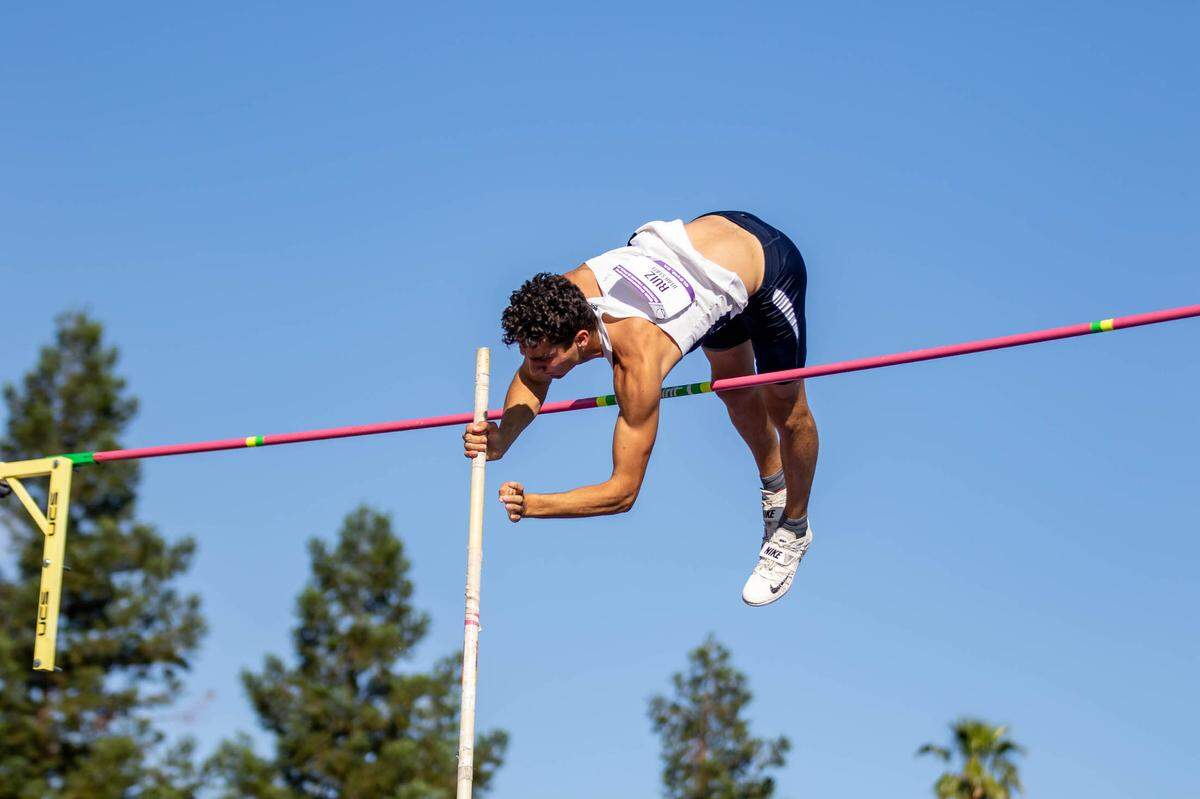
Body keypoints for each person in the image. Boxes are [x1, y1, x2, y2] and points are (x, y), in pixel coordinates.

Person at [462, 211, 819, 606]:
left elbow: (623, 492)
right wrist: (502, 438)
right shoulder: (559, 299)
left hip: (767, 269)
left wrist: (533, 506)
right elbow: (531, 379)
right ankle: (775, 489)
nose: (535, 369)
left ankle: (794, 527)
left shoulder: (637, 364)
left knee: (785, 407)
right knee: (734, 391)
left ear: (581, 339)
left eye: (544, 359)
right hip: (709, 263)